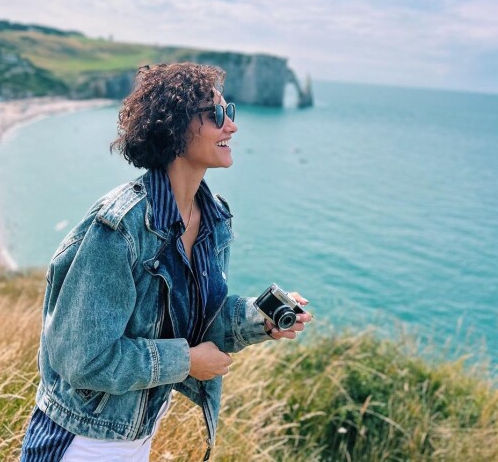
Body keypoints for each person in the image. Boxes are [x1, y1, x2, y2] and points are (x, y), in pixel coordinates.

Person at [20, 62, 311, 461]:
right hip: (80, 441)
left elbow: (193, 317)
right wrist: (188, 361)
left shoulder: (213, 217)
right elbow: (83, 359)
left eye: (232, 113)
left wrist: (259, 319)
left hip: (136, 440)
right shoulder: (119, 228)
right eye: (217, 115)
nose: (232, 127)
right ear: (174, 127)